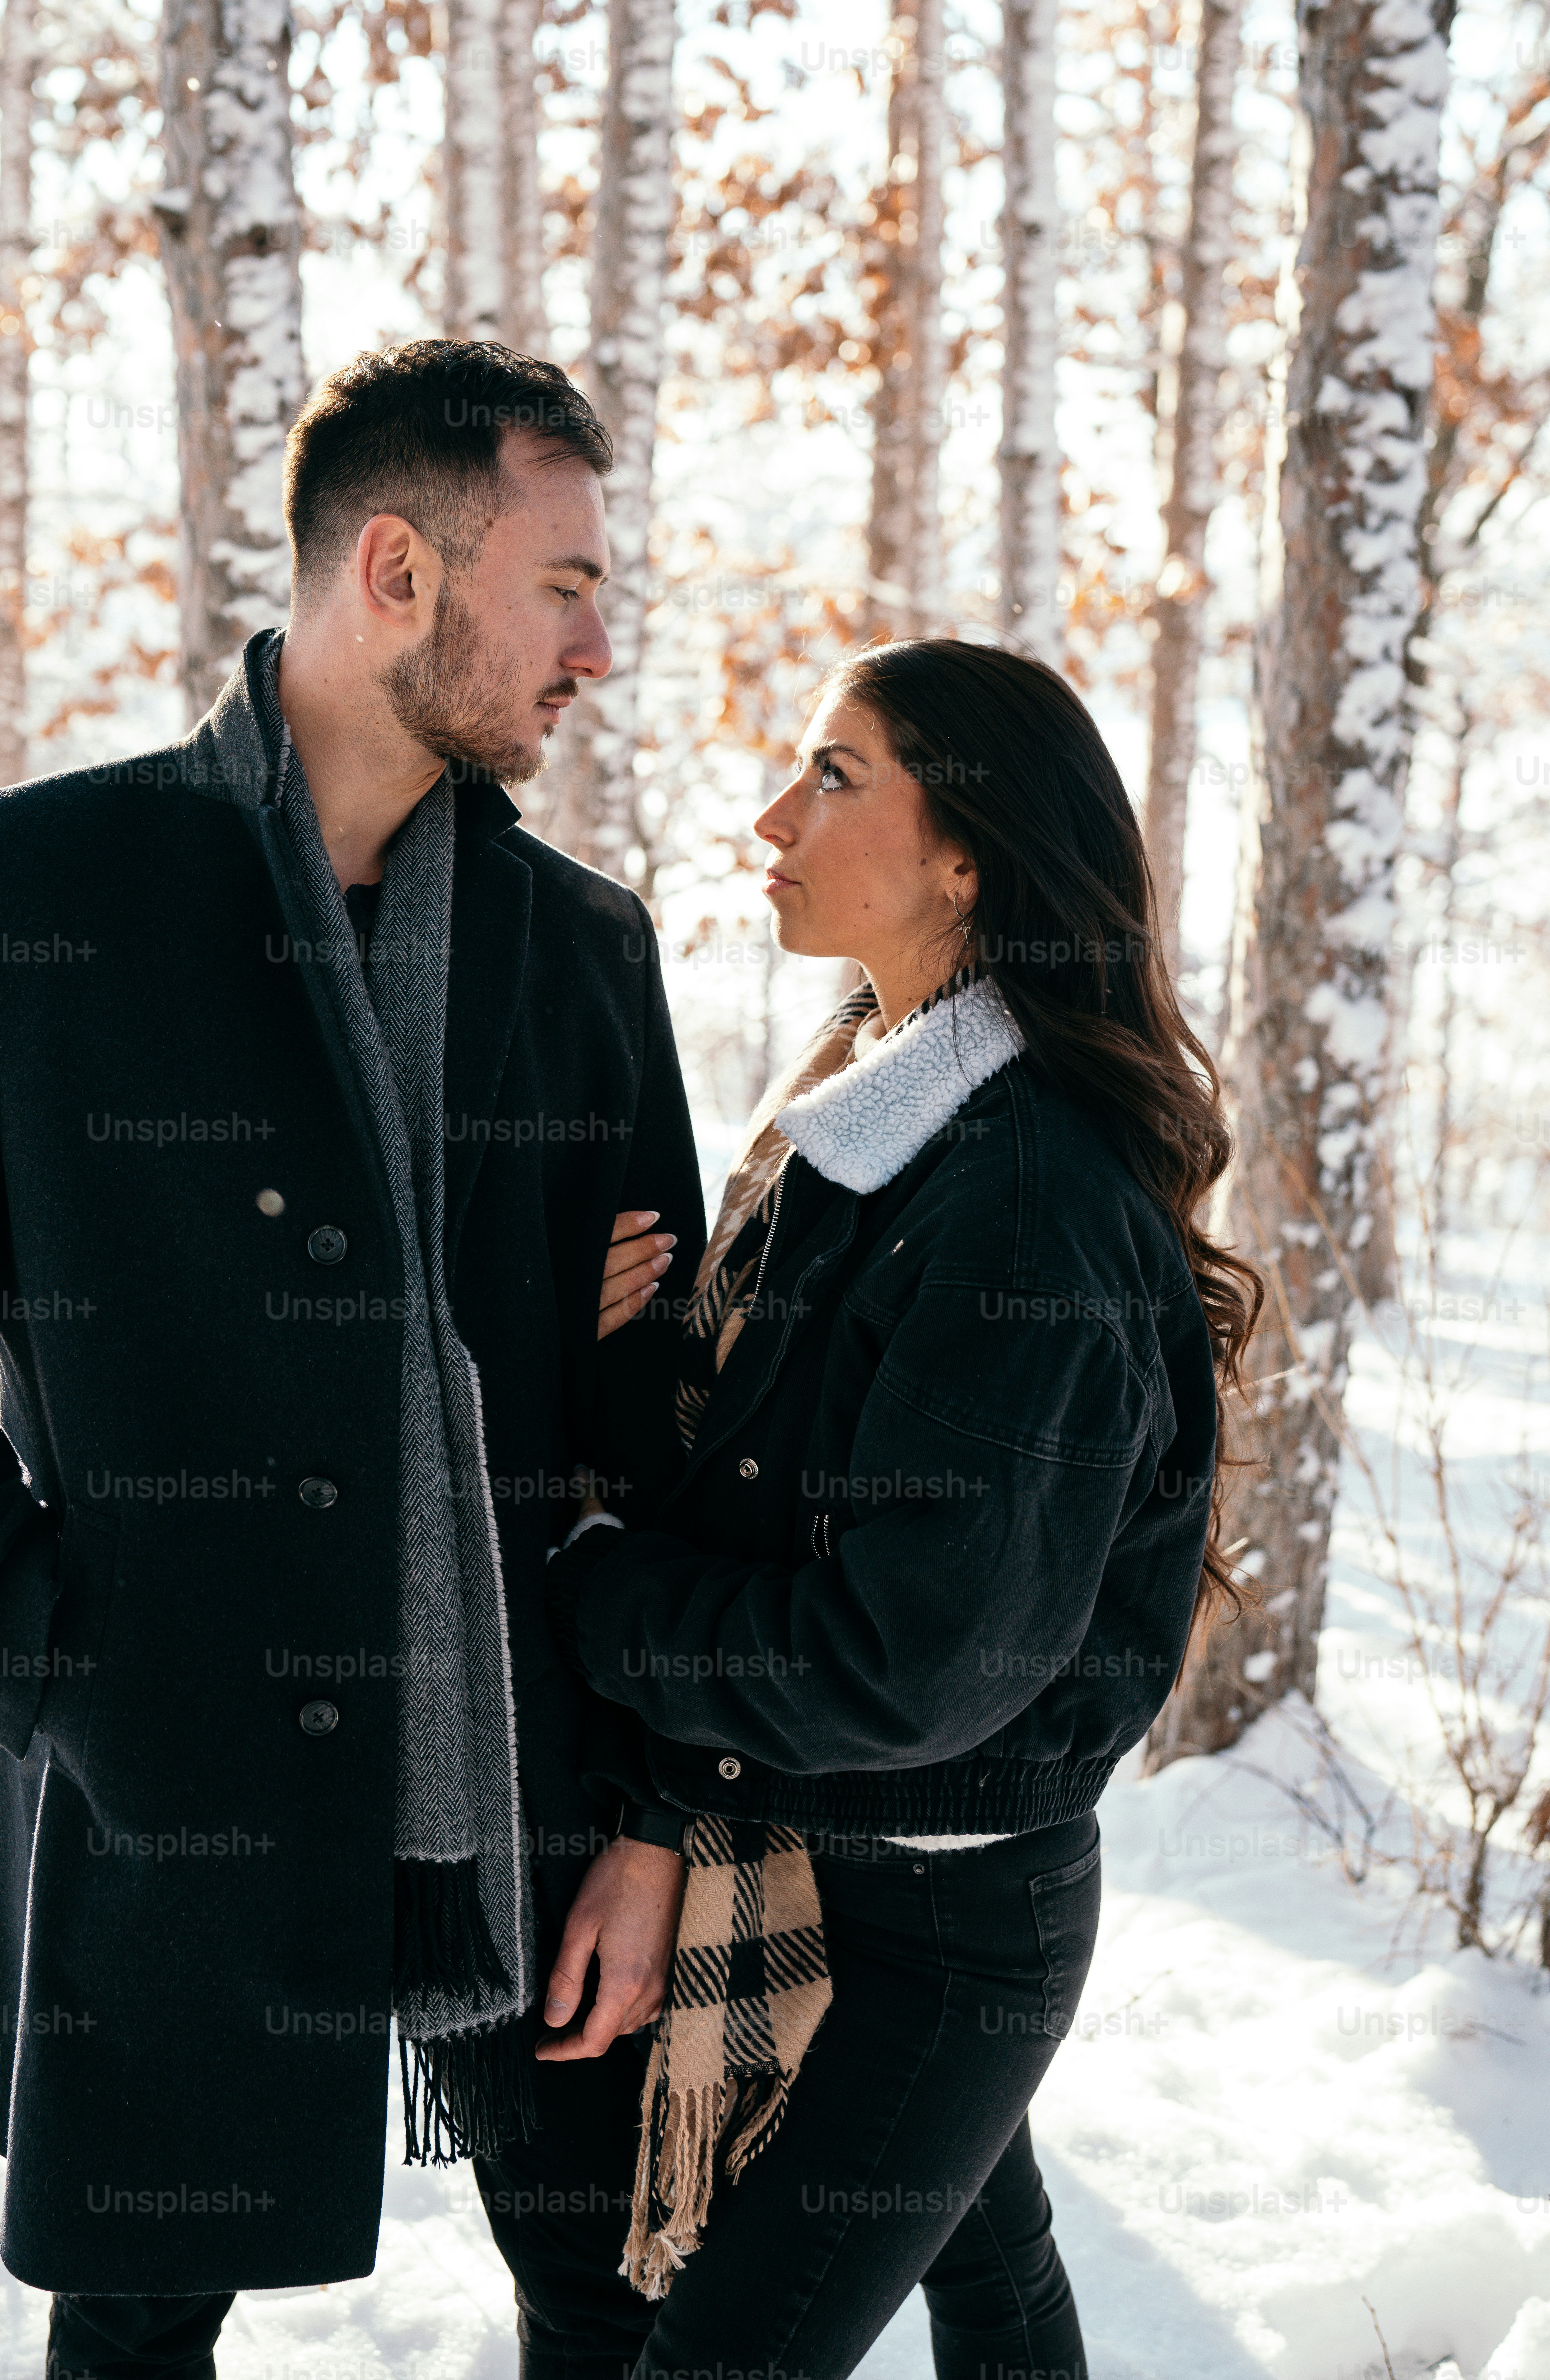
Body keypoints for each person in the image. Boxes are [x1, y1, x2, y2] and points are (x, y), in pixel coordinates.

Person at [0, 339, 708, 2378]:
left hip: (532, 1777)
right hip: (164, 1774)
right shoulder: (22, 899)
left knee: (614, 2303)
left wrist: (655, 1807)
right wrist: (47, 1654)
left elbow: (662, 1419)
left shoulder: (582, 949)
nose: (596, 647)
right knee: (132, 2322)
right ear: (395, 568)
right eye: (561, 587)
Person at [532, 637, 1262, 2380]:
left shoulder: (1021, 1200)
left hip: (949, 1907)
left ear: (968, 858)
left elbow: (902, 1656)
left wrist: (593, 1590)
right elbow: (763, 1481)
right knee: (1001, 2299)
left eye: (837, 774)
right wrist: (617, 1354)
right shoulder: (870, 1103)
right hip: (831, 1848)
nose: (770, 815)